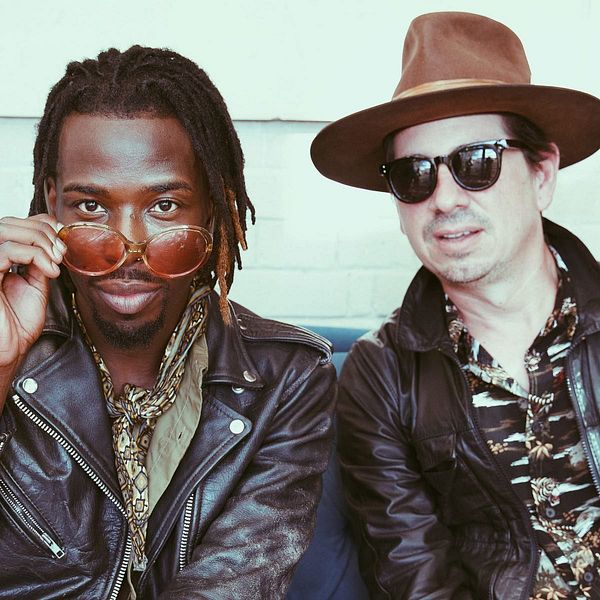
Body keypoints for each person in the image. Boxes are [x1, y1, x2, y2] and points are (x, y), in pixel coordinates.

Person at [0, 45, 336, 599]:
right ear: (51, 206)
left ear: (214, 210)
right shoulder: (10, 337)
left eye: (164, 206)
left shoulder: (286, 380)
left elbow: (234, 583)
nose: (128, 247)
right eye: (91, 207)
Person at [311, 11, 600, 600]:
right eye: (413, 174)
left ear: (542, 174)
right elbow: (416, 576)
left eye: (476, 163)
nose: (443, 199)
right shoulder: (381, 377)